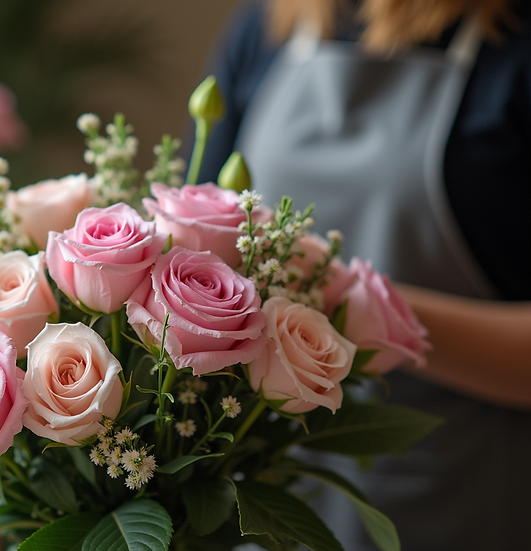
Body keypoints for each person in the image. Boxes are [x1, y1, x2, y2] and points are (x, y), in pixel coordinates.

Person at [197, 0, 531, 549]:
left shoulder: (514, 43)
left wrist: (340, 301)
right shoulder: (268, 25)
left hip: (465, 497)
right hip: (269, 498)